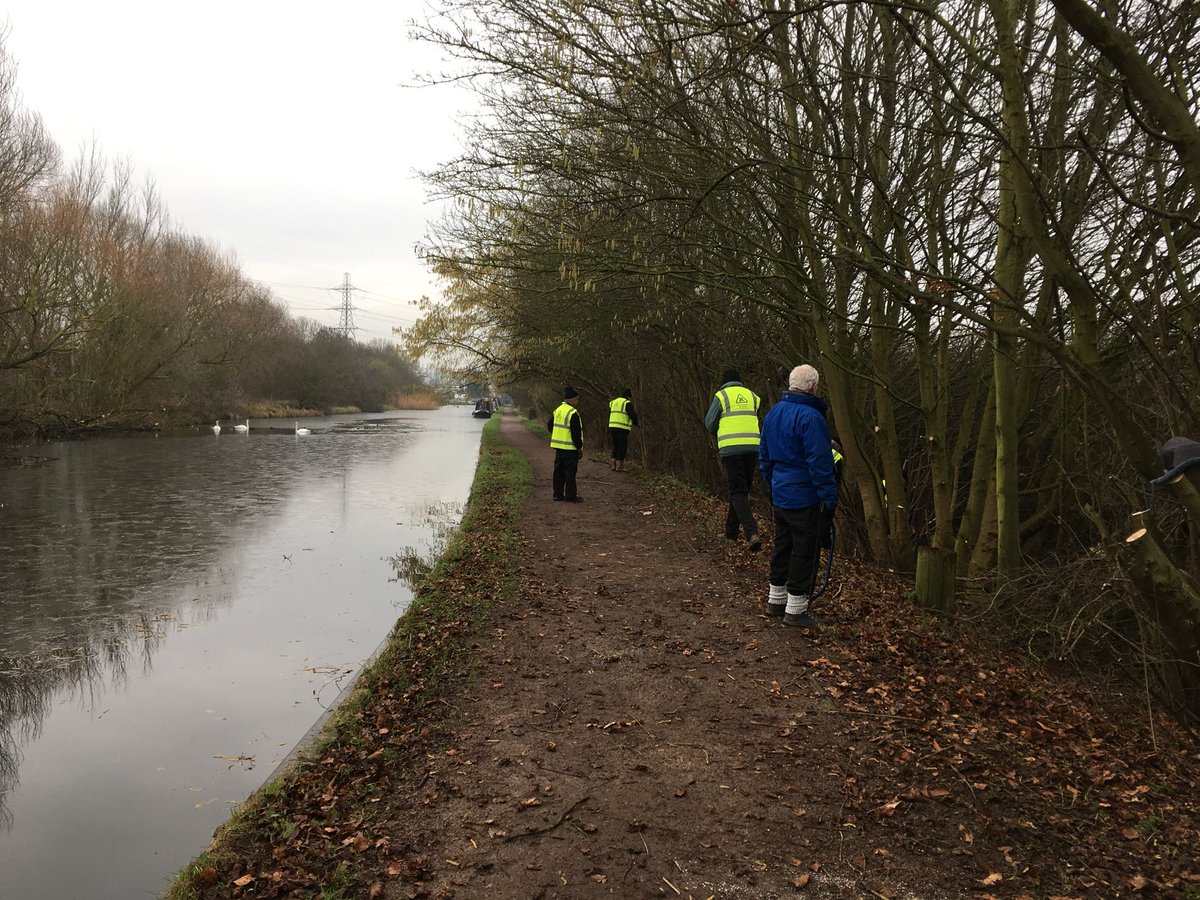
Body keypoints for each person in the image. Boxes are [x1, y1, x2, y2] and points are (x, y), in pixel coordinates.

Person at [759, 364, 839, 627]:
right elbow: (820, 462)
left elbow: (765, 457)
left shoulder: (773, 414)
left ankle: (775, 600)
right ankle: (796, 609)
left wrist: (774, 484)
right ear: (814, 387)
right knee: (804, 550)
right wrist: (828, 498)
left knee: (783, 546)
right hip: (805, 495)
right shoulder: (812, 418)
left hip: (781, 493)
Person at [704, 368, 762, 552]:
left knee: (738, 491)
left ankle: (751, 533)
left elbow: (709, 422)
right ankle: (731, 532)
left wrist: (721, 432)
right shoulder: (753, 396)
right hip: (753, 447)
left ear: (724, 382)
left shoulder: (722, 396)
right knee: (741, 490)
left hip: (731, 449)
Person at [548, 385, 584, 502]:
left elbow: (550, 426)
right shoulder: (573, 413)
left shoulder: (558, 410)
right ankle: (570, 495)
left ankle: (557, 494)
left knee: (558, 472)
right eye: (577, 399)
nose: (578, 402)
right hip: (570, 448)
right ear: (572, 399)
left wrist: (558, 434)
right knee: (570, 473)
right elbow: (576, 434)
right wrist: (579, 448)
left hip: (558, 448)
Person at [608, 388, 638, 472]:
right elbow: (632, 415)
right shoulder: (627, 403)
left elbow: (609, 414)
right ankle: (619, 466)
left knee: (615, 445)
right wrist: (636, 423)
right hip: (622, 428)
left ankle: (613, 464)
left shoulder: (613, 402)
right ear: (628, 396)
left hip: (612, 426)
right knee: (622, 447)